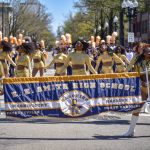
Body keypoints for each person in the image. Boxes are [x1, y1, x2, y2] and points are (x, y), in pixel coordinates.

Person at [124, 46, 150, 137]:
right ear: (144, 53)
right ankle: (131, 131)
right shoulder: (138, 60)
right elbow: (132, 71)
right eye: (148, 52)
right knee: (137, 108)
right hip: (142, 86)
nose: (149, 53)